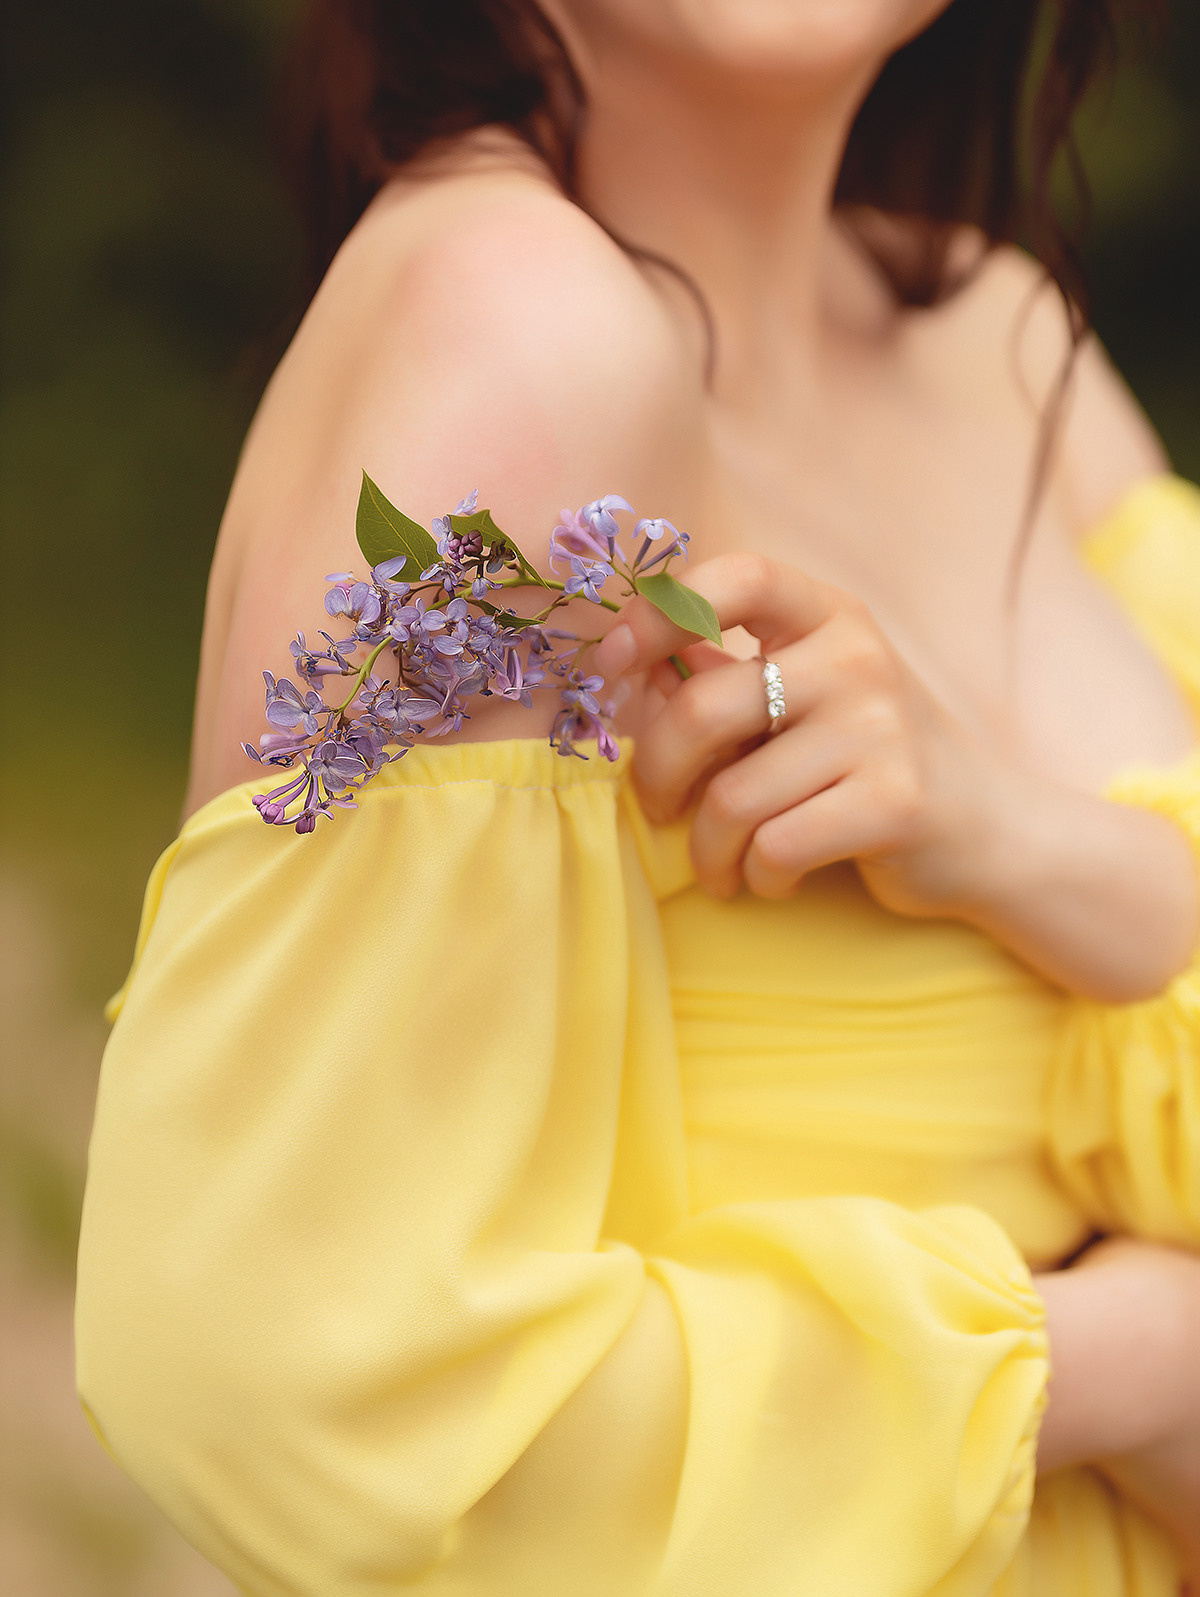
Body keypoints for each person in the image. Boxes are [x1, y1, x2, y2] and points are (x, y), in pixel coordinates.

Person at [75, 0, 1200, 1590]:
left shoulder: (1004, 343)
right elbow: (293, 1371)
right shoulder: (515, 331)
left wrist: (1003, 831)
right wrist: (1128, 1365)